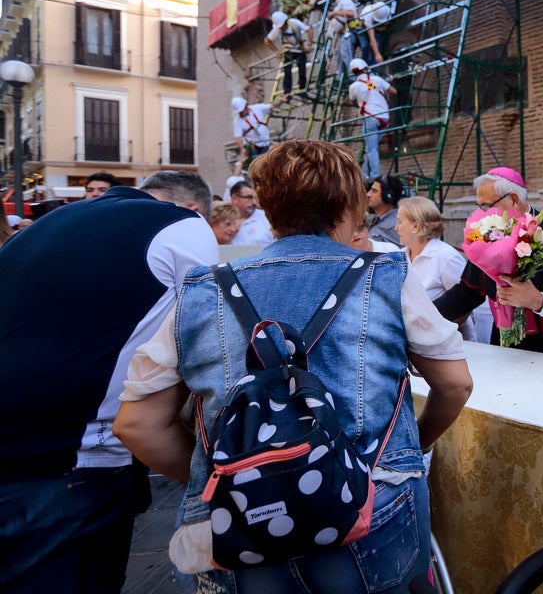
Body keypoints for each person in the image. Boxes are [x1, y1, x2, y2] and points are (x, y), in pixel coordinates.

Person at [114, 140, 473, 593]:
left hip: (239, 528)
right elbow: (456, 384)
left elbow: (137, 425)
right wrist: (403, 451)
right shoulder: (386, 274)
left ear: (268, 209)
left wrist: (239, 478)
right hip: (368, 511)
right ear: (348, 206)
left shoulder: (204, 289)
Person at [0, 173, 217, 592]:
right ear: (194, 210)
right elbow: (205, 339)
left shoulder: (53, 222)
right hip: (70, 466)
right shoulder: (184, 225)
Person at [435, 167, 543, 357]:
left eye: (486, 205)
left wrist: (539, 301)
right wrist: (422, 317)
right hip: (504, 342)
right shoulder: (486, 236)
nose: (481, 213)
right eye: (479, 206)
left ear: (513, 199)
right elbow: (468, 292)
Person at [395, 195, 485, 343]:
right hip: (411, 340)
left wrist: (436, 333)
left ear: (416, 226)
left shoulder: (446, 257)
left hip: (446, 342)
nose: (396, 227)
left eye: (399, 222)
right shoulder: (400, 257)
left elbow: (465, 301)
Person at [349, 58, 396, 181]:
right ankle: (364, 175)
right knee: (370, 148)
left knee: (371, 149)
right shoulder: (377, 79)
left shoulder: (353, 87)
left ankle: (374, 176)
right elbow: (393, 91)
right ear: (365, 69)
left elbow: (353, 101)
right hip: (385, 118)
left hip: (370, 118)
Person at [264, 10, 313, 96]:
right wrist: (276, 51)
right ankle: (287, 93)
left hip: (300, 49)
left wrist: (309, 44)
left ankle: (302, 91)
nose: (281, 28)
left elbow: (309, 30)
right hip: (288, 51)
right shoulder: (277, 30)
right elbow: (267, 41)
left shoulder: (294, 23)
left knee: (302, 71)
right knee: (287, 71)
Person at [326, 0, 360, 79]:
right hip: (343, 33)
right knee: (341, 57)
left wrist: (335, 13)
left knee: (347, 55)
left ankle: (354, 78)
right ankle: (341, 78)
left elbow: (351, 13)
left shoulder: (344, 1)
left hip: (348, 32)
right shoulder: (340, 2)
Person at [231, 96, 272, 174]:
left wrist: (281, 100)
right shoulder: (238, 121)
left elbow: (271, 106)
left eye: (242, 110)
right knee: (258, 166)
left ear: (246, 107)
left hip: (265, 142)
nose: (242, 113)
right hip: (254, 146)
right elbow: (237, 137)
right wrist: (242, 149)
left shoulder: (256, 108)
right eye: (240, 111)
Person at [229, 180, 273, 248]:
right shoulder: (222, 219)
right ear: (234, 198)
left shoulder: (267, 218)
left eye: (255, 198)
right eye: (249, 197)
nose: (254, 203)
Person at [367, 174, 406, 245]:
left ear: (387, 196)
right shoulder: (376, 219)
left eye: (374, 191)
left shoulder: (395, 226)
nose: (368, 194)